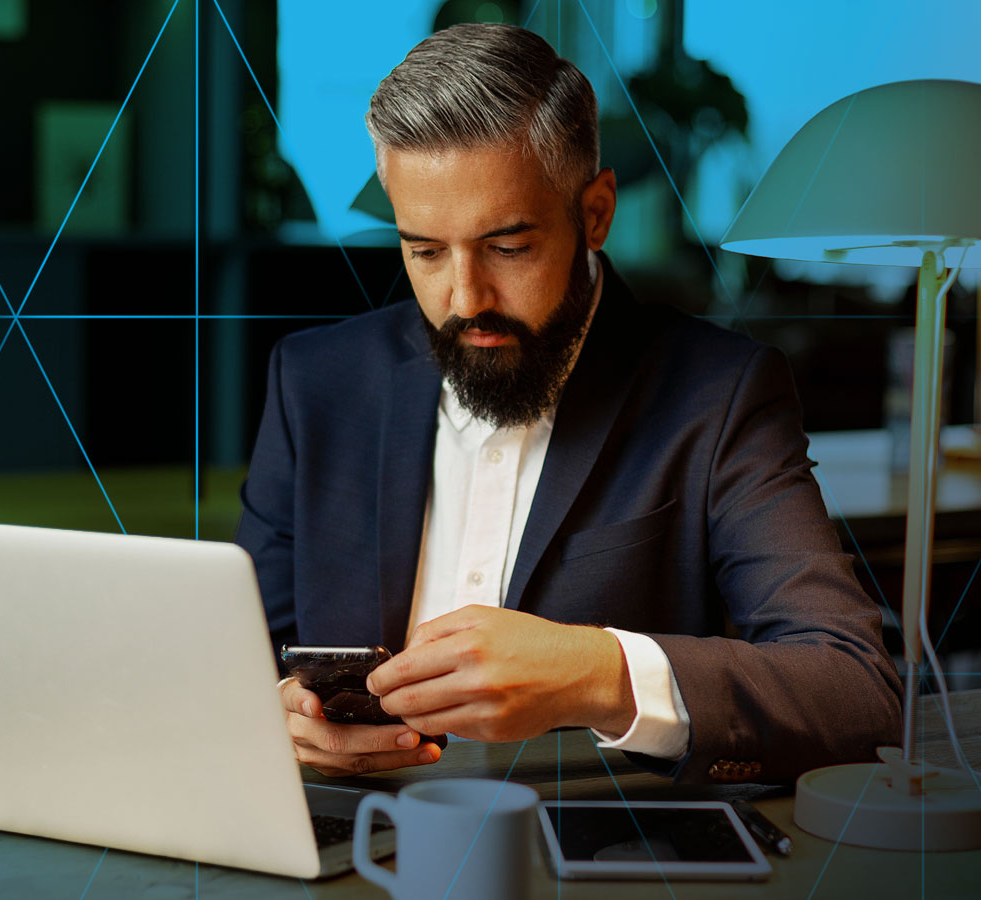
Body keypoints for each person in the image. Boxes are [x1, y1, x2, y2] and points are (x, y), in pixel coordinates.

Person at [234, 23, 901, 784]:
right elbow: (240, 646)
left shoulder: (718, 395)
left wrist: (598, 674)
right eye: (424, 251)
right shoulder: (315, 377)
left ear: (595, 213)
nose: (464, 298)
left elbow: (856, 691)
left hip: (592, 853)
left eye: (508, 248)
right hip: (353, 838)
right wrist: (278, 710)